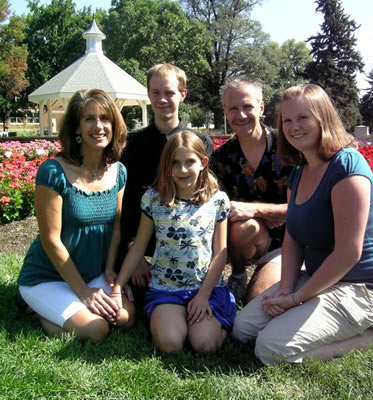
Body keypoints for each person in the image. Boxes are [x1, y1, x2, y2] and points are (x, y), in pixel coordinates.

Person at [232, 84, 373, 365]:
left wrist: (295, 300)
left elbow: (348, 253)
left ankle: (369, 337)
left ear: (323, 118)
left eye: (303, 118)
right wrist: (286, 288)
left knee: (271, 349)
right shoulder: (299, 172)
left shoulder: (346, 166)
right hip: (320, 279)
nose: (294, 127)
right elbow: (293, 236)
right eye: (287, 121)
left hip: (360, 287)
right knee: (243, 330)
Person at [17, 88, 135, 341]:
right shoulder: (53, 172)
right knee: (97, 329)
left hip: (94, 273)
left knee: (124, 318)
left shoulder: (119, 171)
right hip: (48, 277)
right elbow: (51, 240)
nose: (99, 126)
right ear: (76, 128)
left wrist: (109, 269)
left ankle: (64, 308)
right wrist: (84, 292)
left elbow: (116, 225)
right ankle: (37, 308)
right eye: (89, 119)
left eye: (105, 119)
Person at [112, 131, 235, 353]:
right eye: (175, 163)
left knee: (205, 345)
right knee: (170, 344)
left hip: (204, 287)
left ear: (203, 162)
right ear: (166, 165)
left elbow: (220, 252)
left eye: (190, 162)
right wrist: (118, 286)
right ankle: (171, 319)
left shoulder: (218, 201)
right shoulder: (153, 199)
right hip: (166, 288)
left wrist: (203, 296)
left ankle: (222, 317)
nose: (182, 170)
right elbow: (139, 246)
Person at [117, 63, 213, 298]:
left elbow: (205, 203)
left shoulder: (200, 143)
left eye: (169, 92)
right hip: (142, 241)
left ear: (182, 94)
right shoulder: (132, 145)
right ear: (148, 94)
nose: (162, 99)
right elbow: (126, 204)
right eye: (155, 92)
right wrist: (133, 253)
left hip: (186, 247)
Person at [210, 77, 292, 303]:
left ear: (261, 107)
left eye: (247, 106)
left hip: (291, 243)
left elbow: (302, 209)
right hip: (249, 240)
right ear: (225, 112)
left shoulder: (288, 149)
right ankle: (238, 274)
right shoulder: (222, 158)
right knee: (241, 225)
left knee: (257, 301)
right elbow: (218, 212)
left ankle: (265, 277)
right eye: (233, 108)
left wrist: (255, 209)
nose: (241, 115)